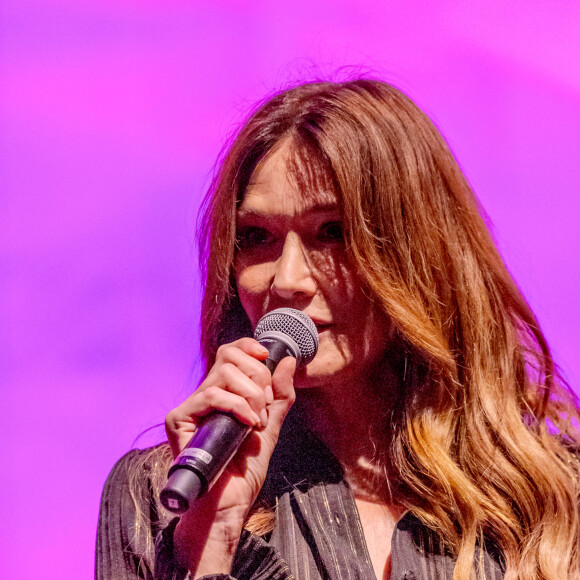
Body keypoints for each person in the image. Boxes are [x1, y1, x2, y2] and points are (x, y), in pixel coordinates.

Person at [96, 79, 580, 580]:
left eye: (332, 232)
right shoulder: (158, 496)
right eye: (257, 237)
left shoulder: (557, 500)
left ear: (421, 254)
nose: (286, 281)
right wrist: (214, 539)